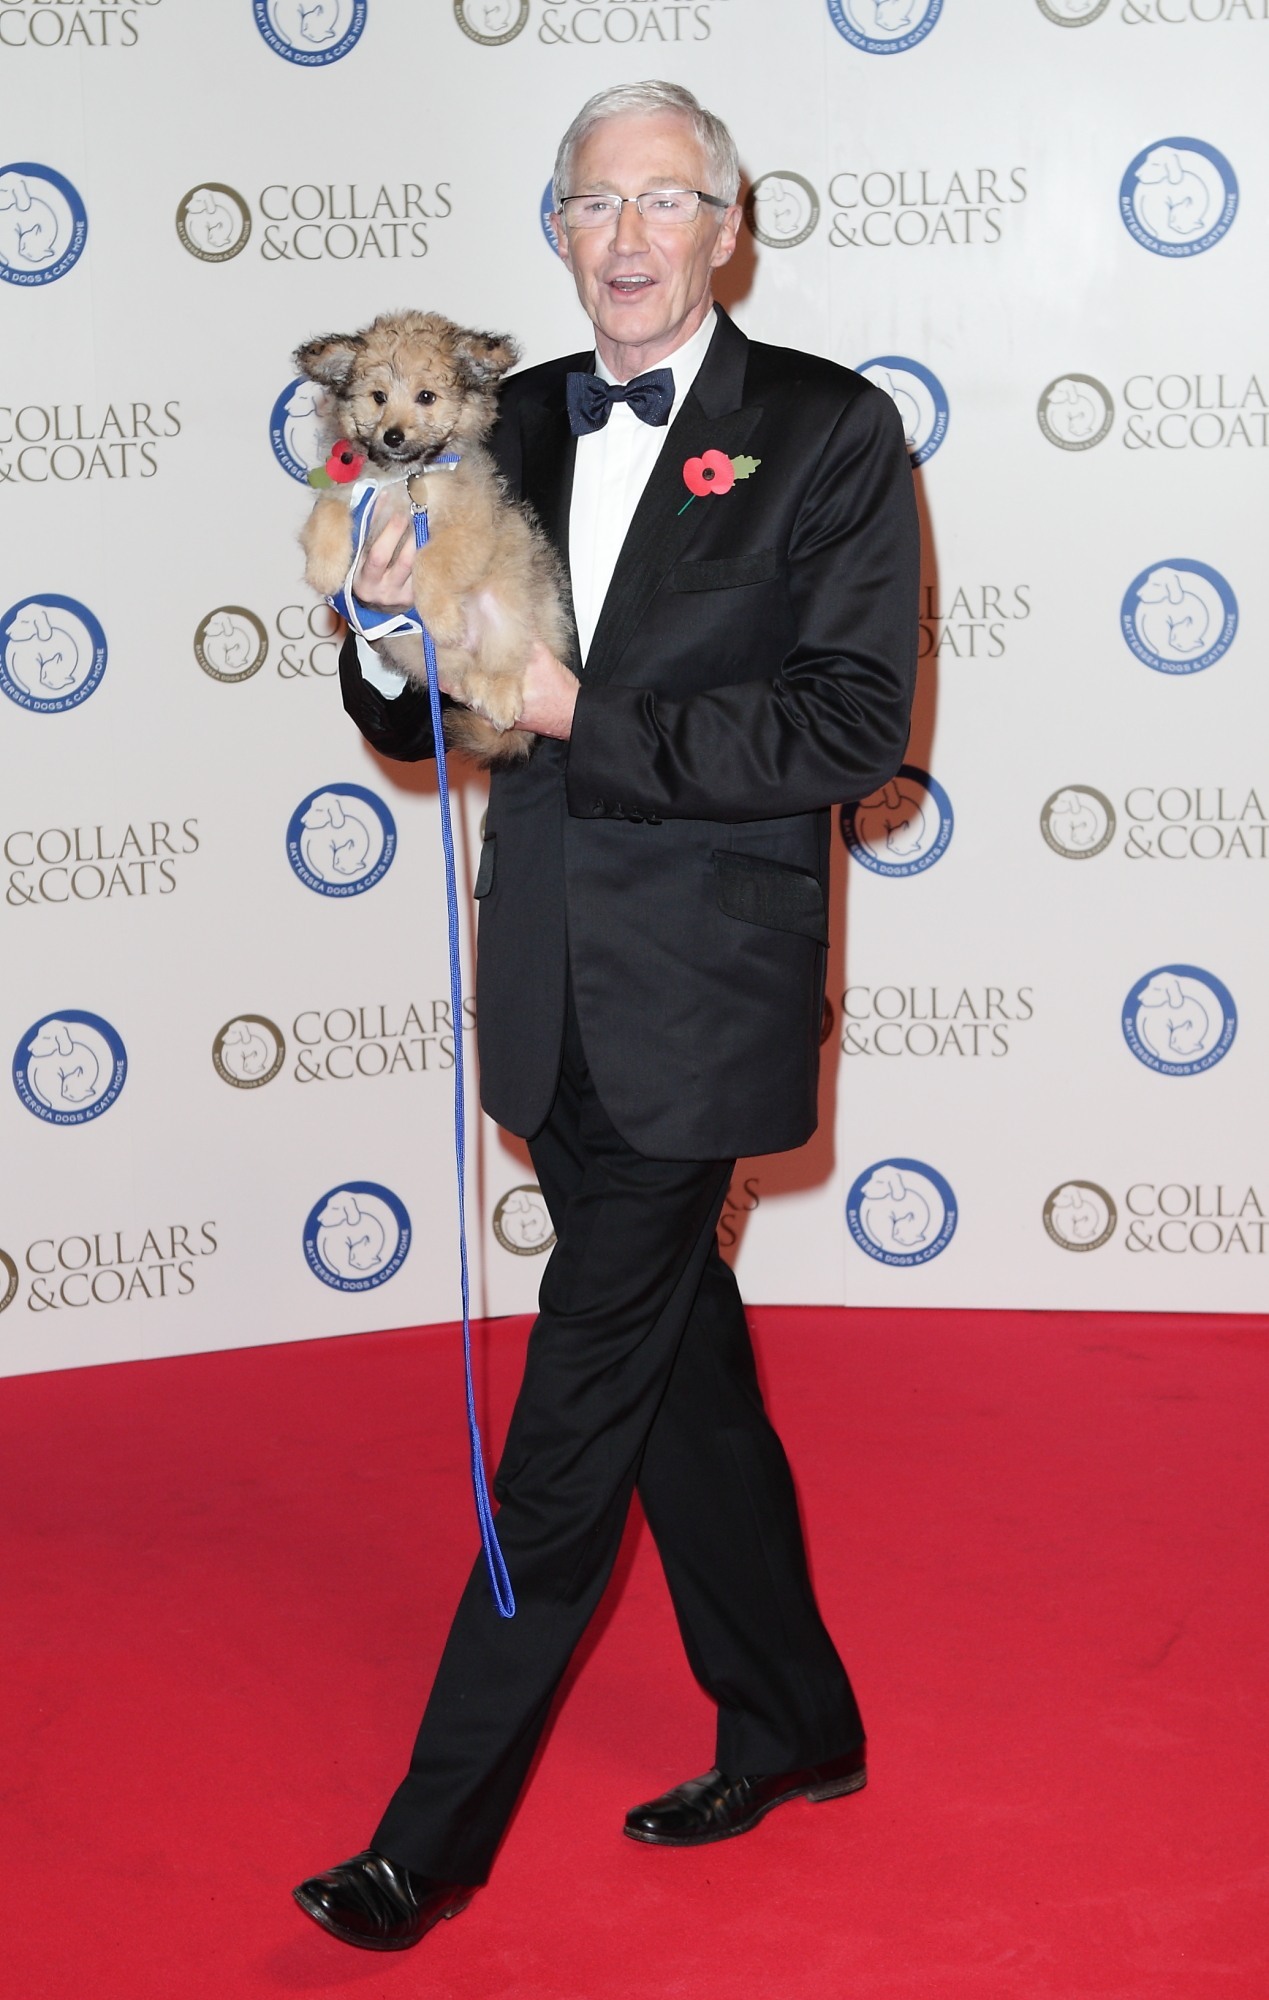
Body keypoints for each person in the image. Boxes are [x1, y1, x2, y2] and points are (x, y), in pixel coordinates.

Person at [293, 79, 919, 1953]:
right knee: (680, 1389)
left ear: (728, 226)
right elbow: (417, 723)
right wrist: (379, 638)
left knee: (563, 1439)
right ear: (554, 234)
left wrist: (586, 716)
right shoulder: (518, 420)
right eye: (593, 205)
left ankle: (427, 1841)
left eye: (669, 201)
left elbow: (845, 732)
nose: (629, 238)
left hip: (697, 1008)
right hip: (547, 989)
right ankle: (797, 1721)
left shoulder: (824, 426)